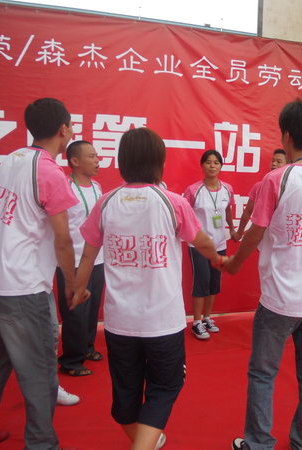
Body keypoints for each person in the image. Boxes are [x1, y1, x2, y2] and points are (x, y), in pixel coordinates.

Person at [71, 127, 223, 450]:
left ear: (122, 161)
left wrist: (79, 288)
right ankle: (144, 442)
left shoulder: (106, 202)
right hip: (162, 322)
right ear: (159, 162)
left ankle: (145, 439)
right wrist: (219, 259)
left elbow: (87, 254)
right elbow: (203, 242)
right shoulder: (172, 202)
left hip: (120, 322)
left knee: (126, 392)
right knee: (166, 386)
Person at [0, 98, 79, 450]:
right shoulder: (49, 172)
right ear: (63, 129)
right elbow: (63, 239)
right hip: (20, 285)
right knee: (39, 369)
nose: (72, 131)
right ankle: (41, 443)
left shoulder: (11, 159)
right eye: (70, 126)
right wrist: (72, 284)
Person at [225, 99, 302, 450]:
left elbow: (256, 231)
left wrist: (234, 263)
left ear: (287, 136)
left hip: (280, 301)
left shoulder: (277, 179)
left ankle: (259, 443)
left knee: (263, 373)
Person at [57, 140, 105, 377]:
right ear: (75, 161)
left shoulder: (97, 187)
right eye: (91, 156)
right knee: (75, 312)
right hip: (73, 261)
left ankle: (87, 347)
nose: (97, 161)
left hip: (97, 259)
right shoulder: (64, 187)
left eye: (97, 156)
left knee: (92, 308)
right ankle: (71, 361)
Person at [183, 150, 236, 340]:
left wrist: (232, 229)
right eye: (208, 162)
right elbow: (185, 214)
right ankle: (196, 322)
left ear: (221, 166)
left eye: (216, 162)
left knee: (214, 282)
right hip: (199, 245)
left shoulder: (227, 189)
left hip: (219, 243)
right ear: (202, 165)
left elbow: (228, 210)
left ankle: (207, 318)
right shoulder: (193, 190)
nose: (212, 166)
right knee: (202, 282)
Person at [237, 148, 288, 236]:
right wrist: (239, 232)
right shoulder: (259, 186)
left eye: (279, 161)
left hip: (282, 235)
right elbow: (248, 211)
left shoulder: (291, 187)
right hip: (262, 235)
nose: (274, 164)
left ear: (288, 165)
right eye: (273, 161)